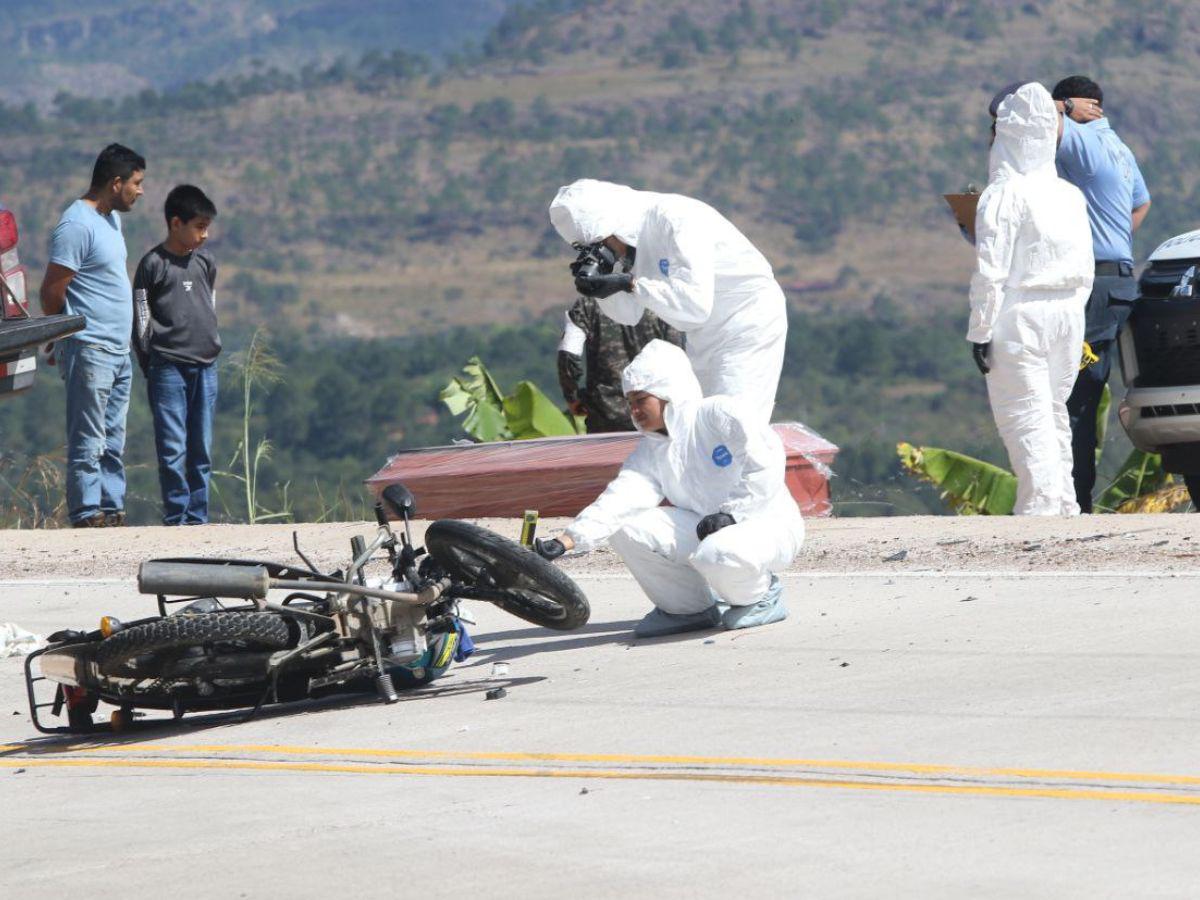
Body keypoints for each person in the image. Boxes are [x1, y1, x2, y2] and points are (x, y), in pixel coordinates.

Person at [535, 340, 804, 637]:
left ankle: (761, 595)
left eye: (641, 400)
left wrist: (733, 515)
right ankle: (687, 609)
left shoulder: (719, 414)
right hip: (707, 527)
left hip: (765, 523)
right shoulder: (651, 450)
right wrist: (567, 540)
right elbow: (620, 500)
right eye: (630, 402)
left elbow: (764, 462)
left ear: (667, 392)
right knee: (626, 528)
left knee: (718, 553)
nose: (634, 410)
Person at [548, 179, 787, 423]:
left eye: (602, 244)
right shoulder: (632, 243)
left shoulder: (676, 219)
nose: (607, 251)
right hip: (702, 336)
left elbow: (694, 306)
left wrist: (629, 284)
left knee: (732, 422)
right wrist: (603, 287)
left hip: (746, 323)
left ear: (613, 225)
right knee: (698, 425)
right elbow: (629, 315)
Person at [968, 82, 1094, 516]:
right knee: (1053, 412)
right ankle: (1063, 503)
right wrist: (1074, 315)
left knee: (1024, 415)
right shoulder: (1069, 195)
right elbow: (1087, 268)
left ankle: (1038, 511)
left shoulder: (1003, 194)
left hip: (1019, 312)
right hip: (1068, 312)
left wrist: (980, 331)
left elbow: (991, 270)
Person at [1051, 75, 1152, 512]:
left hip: (1092, 285)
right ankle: (1077, 496)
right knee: (1089, 391)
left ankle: (1075, 500)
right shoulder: (1121, 149)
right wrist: (1116, 241)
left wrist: (1059, 108)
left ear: (1081, 105)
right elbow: (1141, 202)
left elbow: (1032, 114)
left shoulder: (1084, 143)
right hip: (1119, 280)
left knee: (1076, 395)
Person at [40, 143, 146, 528]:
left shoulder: (110, 220)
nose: (141, 190)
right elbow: (53, 288)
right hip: (90, 346)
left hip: (118, 349)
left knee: (113, 435)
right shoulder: (76, 224)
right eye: (136, 182)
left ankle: (111, 507)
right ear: (115, 183)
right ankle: (87, 513)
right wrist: (60, 335)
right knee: (89, 434)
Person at [133, 185, 221, 525]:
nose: (205, 234)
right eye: (199, 226)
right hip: (167, 367)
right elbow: (141, 320)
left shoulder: (206, 262)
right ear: (175, 223)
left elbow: (209, 307)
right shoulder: (153, 265)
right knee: (172, 449)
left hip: (206, 367)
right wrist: (149, 364)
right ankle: (176, 516)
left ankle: (198, 517)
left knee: (201, 449)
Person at [556, 295, 683, 433]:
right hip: (654, 417)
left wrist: (572, 397)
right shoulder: (658, 298)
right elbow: (677, 357)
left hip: (604, 419)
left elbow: (568, 353)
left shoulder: (588, 304)